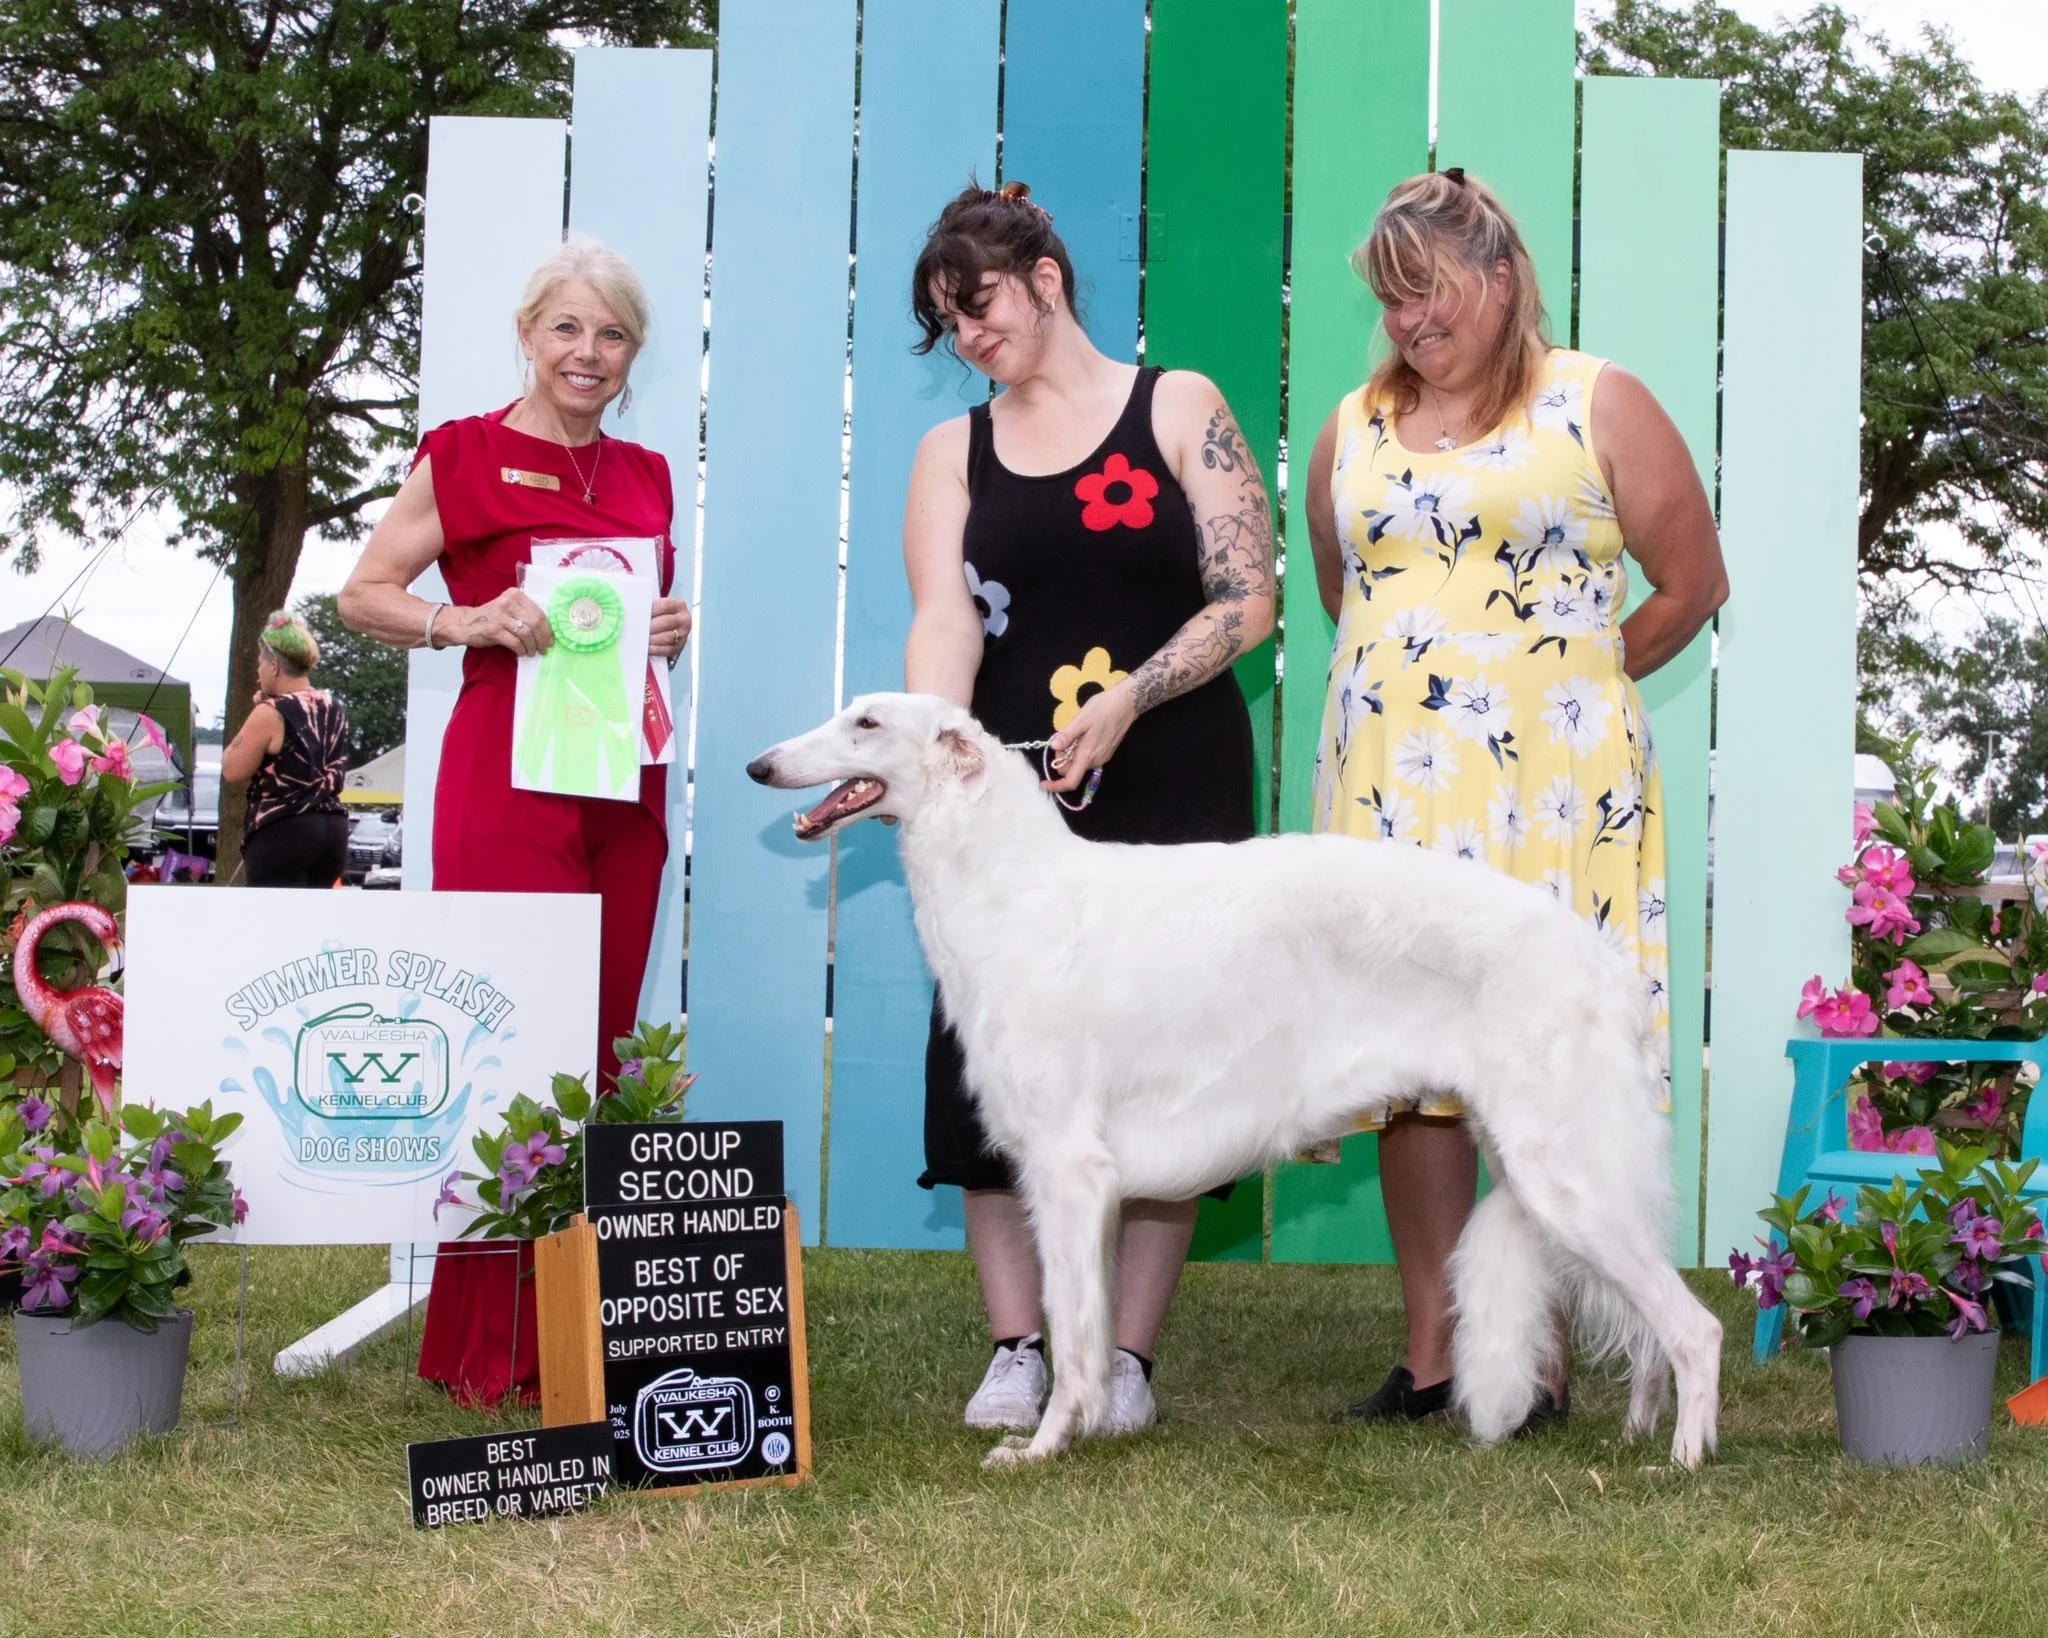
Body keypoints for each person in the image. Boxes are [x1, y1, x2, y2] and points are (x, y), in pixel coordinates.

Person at [1303, 168, 1728, 1426]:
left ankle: (1534, 1357)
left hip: (1556, 794)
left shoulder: (1595, 401)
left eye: (1428, 295)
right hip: (1394, 795)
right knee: (1409, 1065)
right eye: (1389, 303)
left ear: (1499, 282)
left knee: (1536, 1059)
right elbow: (1349, 595)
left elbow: (1689, 582)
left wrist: (1569, 683)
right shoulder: (1348, 425)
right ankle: (1438, 1352)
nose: (1409, 324)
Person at [903, 181, 1276, 1435]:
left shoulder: (1177, 405)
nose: (967, 335)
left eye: (980, 304)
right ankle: (1018, 1345)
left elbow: (1245, 600)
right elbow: (943, 620)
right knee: (996, 1063)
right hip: (1008, 806)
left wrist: (1126, 698)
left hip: (1172, 771)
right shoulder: (948, 451)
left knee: (1161, 1067)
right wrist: (935, 753)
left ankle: (1121, 1360)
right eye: (947, 321)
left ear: (1047, 280)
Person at [338, 237, 691, 1404]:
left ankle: (585, 1335)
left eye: (612, 335)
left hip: (623, 781)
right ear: (528, 335)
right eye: (568, 330)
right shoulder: (466, 453)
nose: (588, 354)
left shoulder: (646, 471)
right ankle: (494, 1346)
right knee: (514, 1050)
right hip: (508, 774)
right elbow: (365, 594)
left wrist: (664, 629)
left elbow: (629, 612)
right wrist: (466, 622)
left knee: (596, 1045)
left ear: (632, 352)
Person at [221, 611, 349, 887]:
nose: (258, 673)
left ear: (274, 666)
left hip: (284, 830)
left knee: (275, 924)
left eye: (260, 664)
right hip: (333, 830)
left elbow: (232, 769)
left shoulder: (270, 712)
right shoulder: (333, 706)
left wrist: (256, 714)